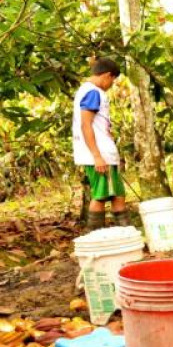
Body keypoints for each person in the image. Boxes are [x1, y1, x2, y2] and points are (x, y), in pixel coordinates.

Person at [73, 57, 126, 229]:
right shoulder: (93, 92)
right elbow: (85, 124)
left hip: (103, 152)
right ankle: (95, 236)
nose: (111, 84)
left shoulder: (86, 90)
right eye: (113, 80)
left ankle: (125, 233)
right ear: (107, 76)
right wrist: (97, 156)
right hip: (100, 153)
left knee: (117, 194)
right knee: (101, 195)